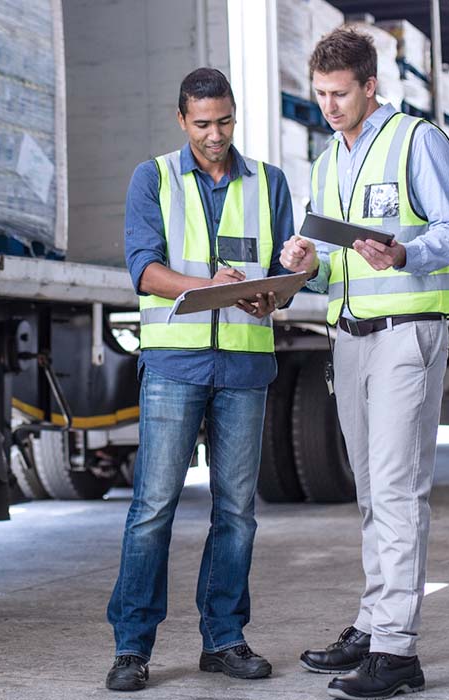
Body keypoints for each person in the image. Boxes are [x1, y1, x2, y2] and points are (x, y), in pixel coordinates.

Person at [280, 27, 449, 699]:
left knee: (395, 488)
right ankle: (373, 621)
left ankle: (397, 650)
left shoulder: (418, 141)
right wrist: (303, 261)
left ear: (370, 86)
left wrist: (404, 254)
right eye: (321, 94)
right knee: (371, 491)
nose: (329, 106)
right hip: (351, 336)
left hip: (407, 332)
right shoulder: (328, 158)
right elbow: (330, 251)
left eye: (340, 94)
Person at [106, 67, 295, 692]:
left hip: (244, 367)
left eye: (226, 122)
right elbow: (144, 270)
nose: (216, 135)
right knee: (152, 510)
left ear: (235, 115)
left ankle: (224, 639)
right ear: (182, 119)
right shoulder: (153, 177)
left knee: (237, 513)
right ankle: (132, 648)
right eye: (203, 124)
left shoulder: (269, 182)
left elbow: (277, 275)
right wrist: (206, 289)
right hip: (174, 366)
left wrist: (271, 295)